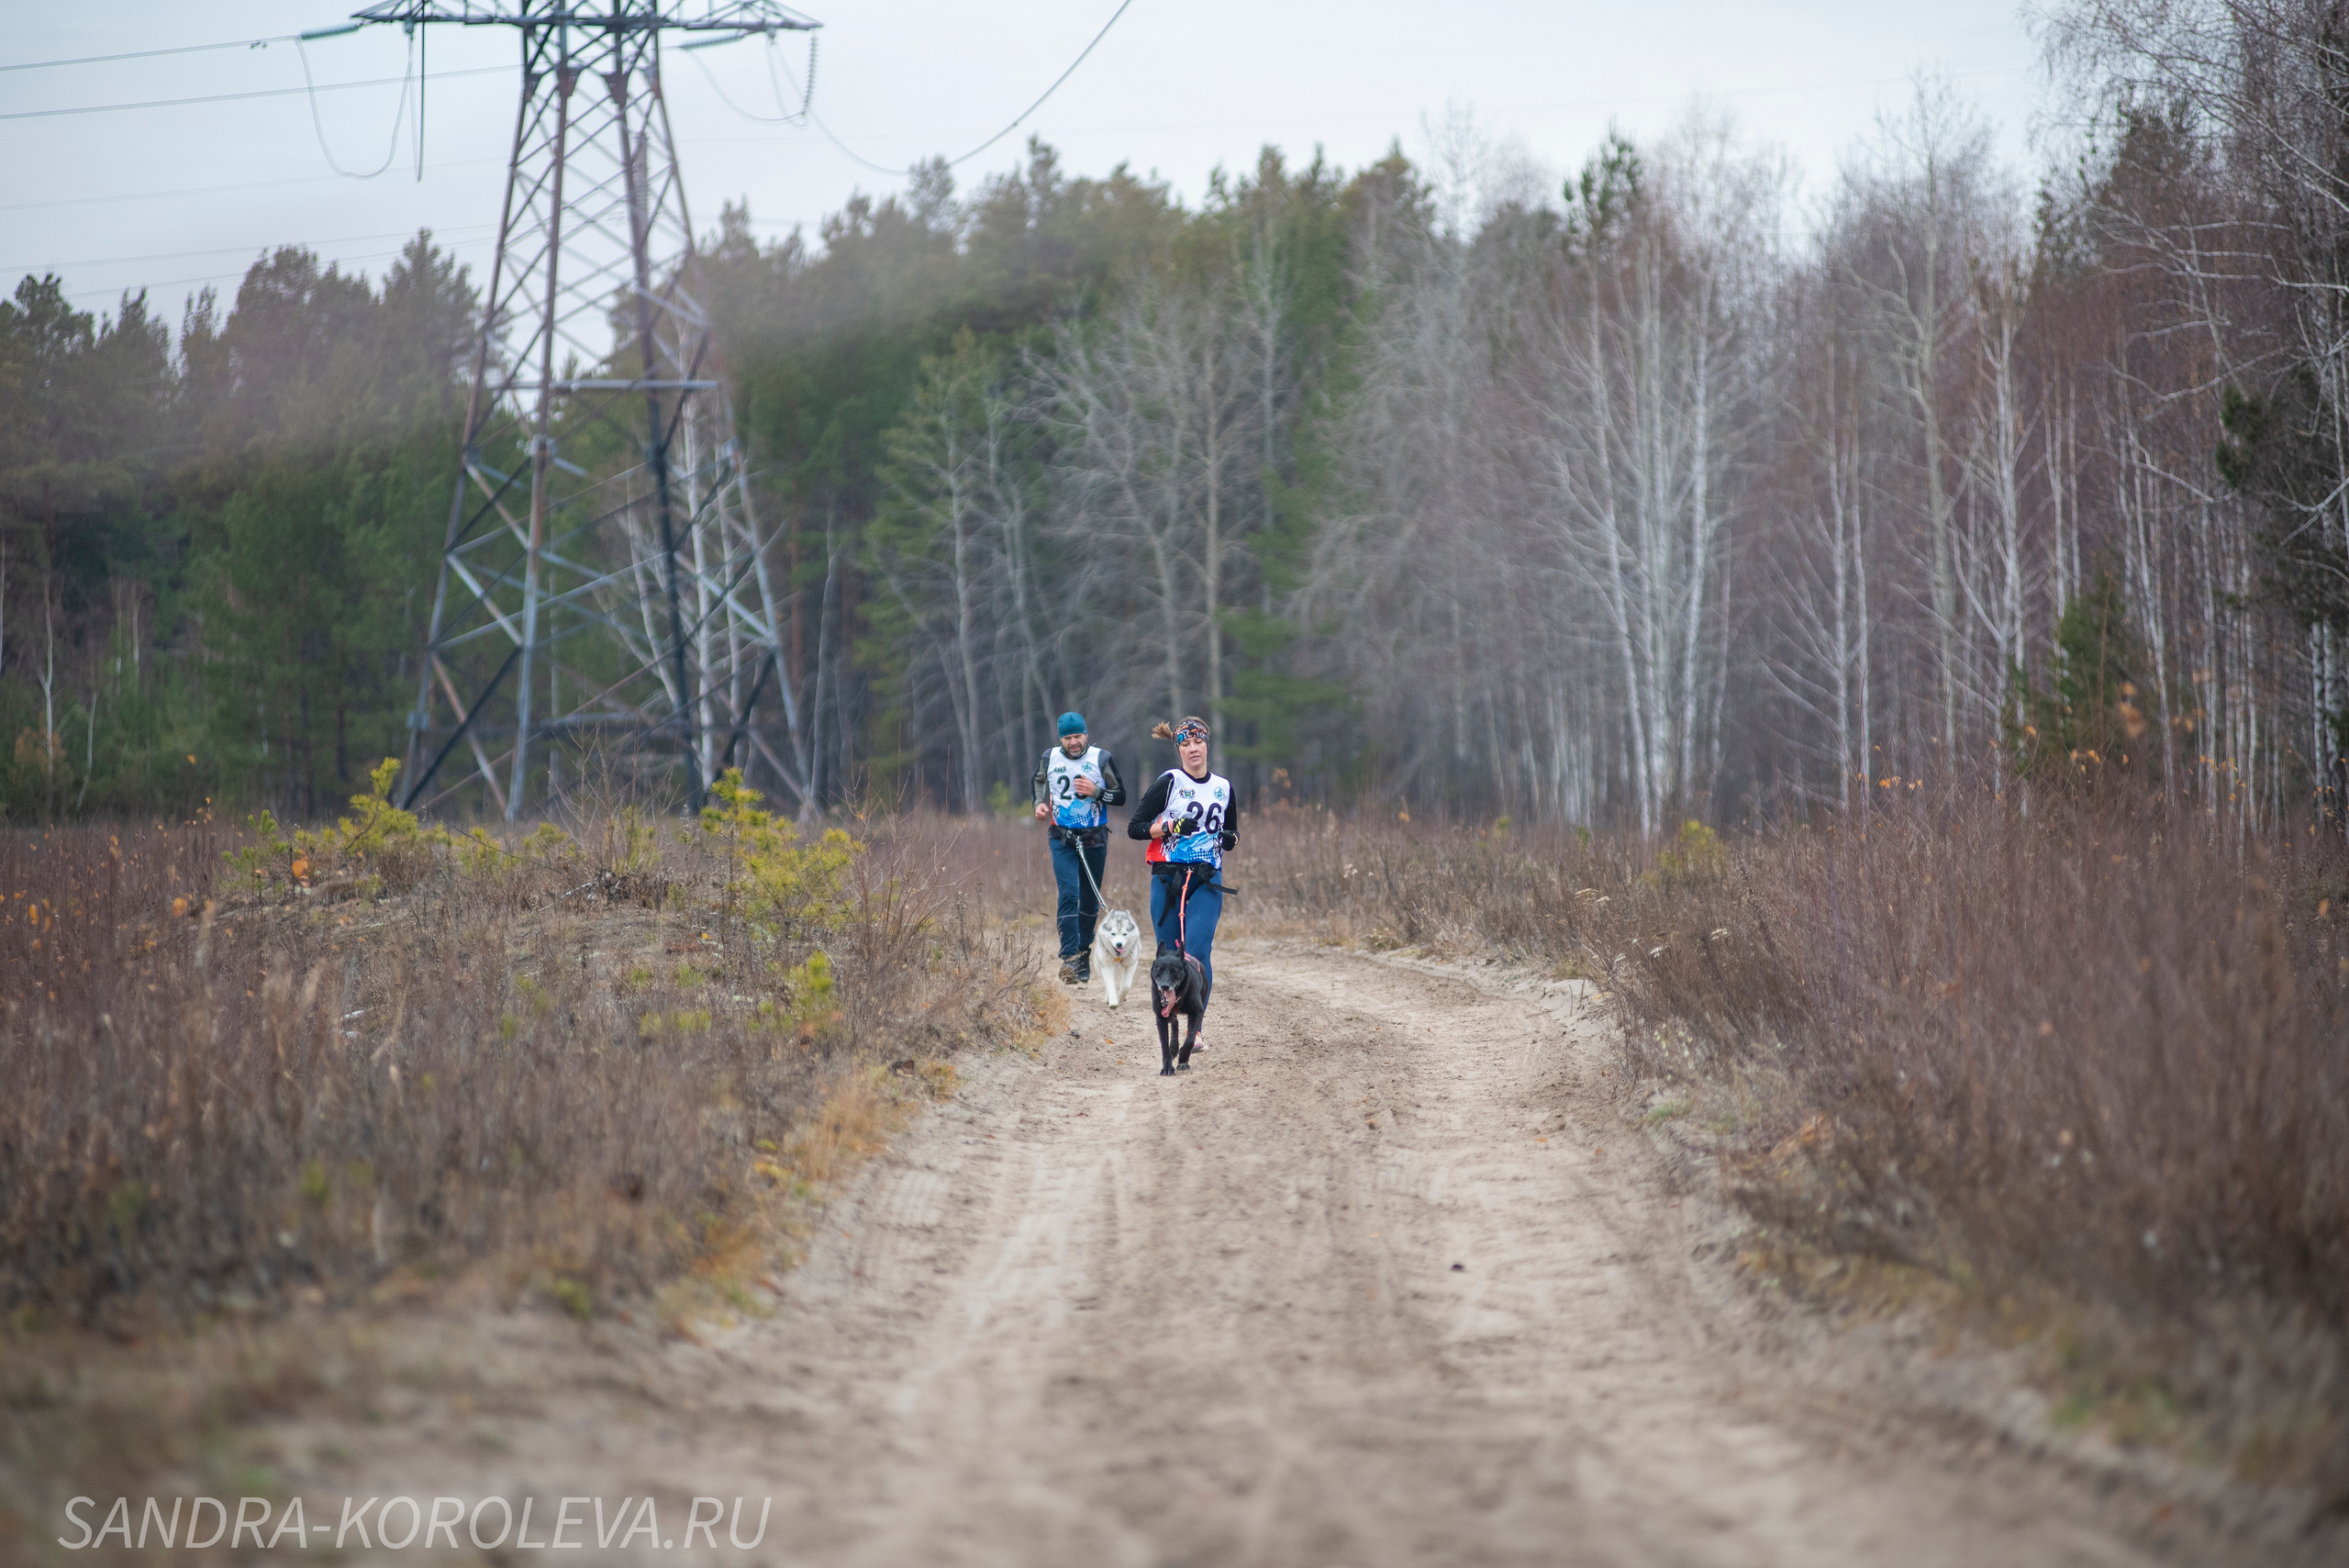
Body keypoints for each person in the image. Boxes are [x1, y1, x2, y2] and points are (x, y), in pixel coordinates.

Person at [1128, 716, 1238, 1025]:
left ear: (1207, 744)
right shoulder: (1169, 782)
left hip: (1206, 880)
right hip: (1168, 879)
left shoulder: (1223, 787)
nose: (1193, 749)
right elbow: (1134, 828)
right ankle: (1170, 1015)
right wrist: (1169, 827)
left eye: (1198, 742)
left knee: (1198, 953)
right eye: (1186, 744)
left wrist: (1231, 839)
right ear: (1178, 749)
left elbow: (1231, 832)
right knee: (1169, 957)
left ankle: (1196, 1028)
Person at [1032, 712, 1127, 984]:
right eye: (1067, 738)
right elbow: (1038, 780)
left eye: (1077, 736)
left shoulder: (1101, 758)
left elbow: (1121, 796)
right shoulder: (1049, 757)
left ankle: (1083, 953)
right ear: (1060, 738)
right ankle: (1069, 958)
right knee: (1068, 893)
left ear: (1086, 735)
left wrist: (1096, 791)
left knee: (1089, 899)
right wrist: (1038, 803)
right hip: (1061, 838)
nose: (1073, 742)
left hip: (1094, 838)